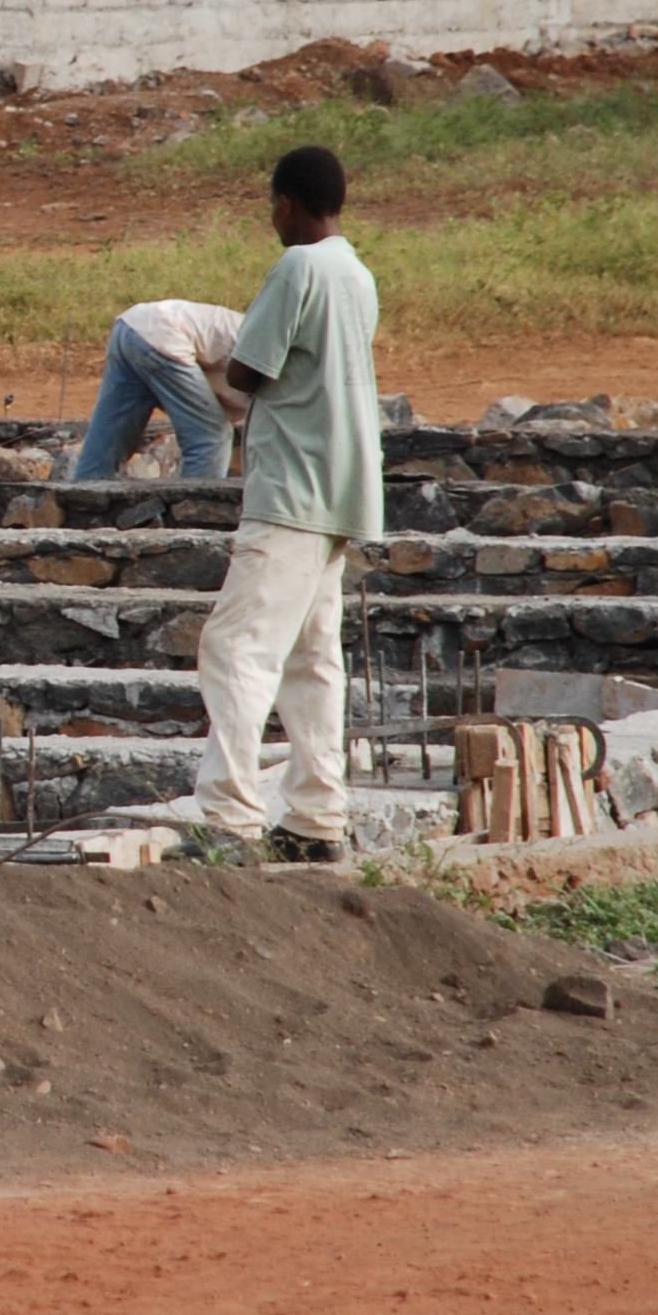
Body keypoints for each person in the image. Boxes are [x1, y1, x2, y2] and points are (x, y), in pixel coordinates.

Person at [185, 146, 384, 866]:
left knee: (236, 647)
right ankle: (315, 815)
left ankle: (230, 820)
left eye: (274, 205)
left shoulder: (298, 267)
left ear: (289, 203)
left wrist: (220, 370)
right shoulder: (356, 274)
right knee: (310, 658)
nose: (273, 217)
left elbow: (248, 369)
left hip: (292, 488)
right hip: (339, 490)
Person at [72, 299, 248, 481]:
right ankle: (197, 506)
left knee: (109, 439)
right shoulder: (273, 363)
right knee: (211, 438)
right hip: (165, 335)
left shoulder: (260, 334)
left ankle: (80, 501)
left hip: (131, 326)